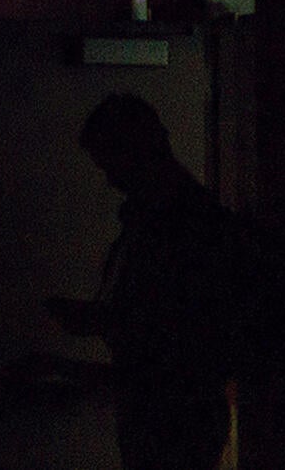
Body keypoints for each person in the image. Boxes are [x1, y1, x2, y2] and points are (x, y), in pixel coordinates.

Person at [52, 94, 259, 469]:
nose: (111, 181)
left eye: (111, 164)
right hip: (168, 414)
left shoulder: (183, 226)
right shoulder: (171, 220)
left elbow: (175, 334)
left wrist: (101, 323)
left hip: (171, 417)